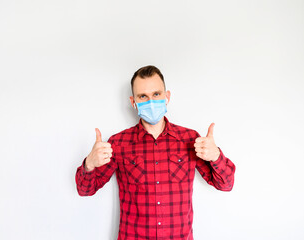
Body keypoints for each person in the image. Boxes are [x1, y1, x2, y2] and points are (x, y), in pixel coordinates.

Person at [75, 65, 236, 240]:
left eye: (156, 94)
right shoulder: (118, 143)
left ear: (167, 97)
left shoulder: (190, 139)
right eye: (143, 96)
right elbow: (85, 190)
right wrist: (89, 164)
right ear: (133, 102)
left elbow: (225, 184)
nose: (150, 101)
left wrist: (216, 157)